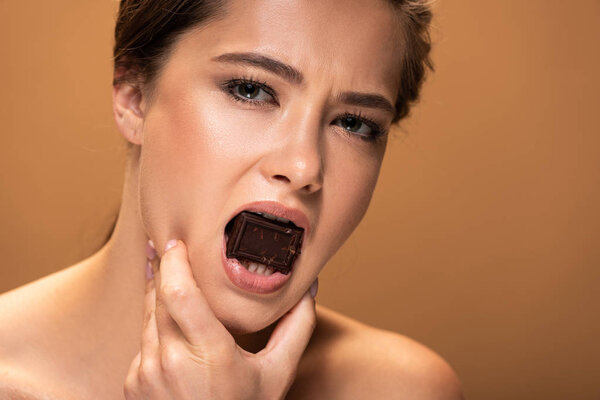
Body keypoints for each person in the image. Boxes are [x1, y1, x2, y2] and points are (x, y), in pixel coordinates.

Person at [0, 0, 463, 398]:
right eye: (251, 89)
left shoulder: (400, 390)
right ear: (134, 97)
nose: (304, 167)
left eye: (354, 123)